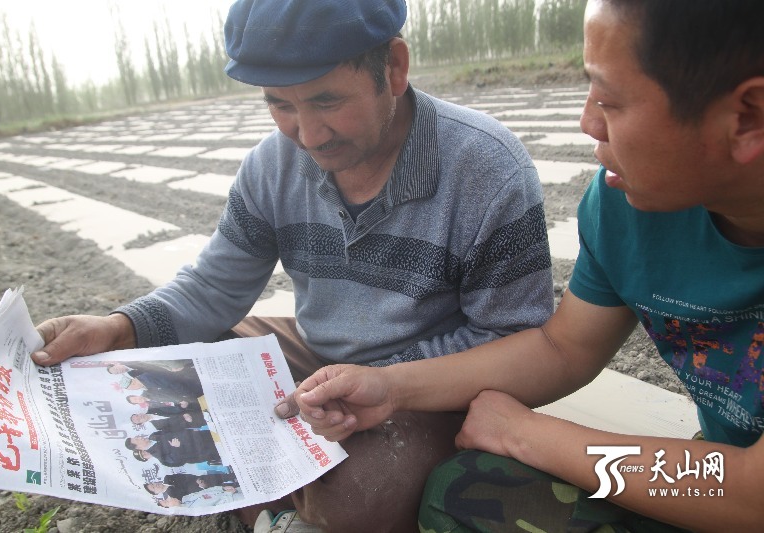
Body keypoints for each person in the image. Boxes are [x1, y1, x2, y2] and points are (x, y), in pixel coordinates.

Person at [30, 0, 553, 530]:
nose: (308, 135)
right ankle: (268, 507)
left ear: (394, 67)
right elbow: (213, 287)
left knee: (361, 497)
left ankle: (280, 508)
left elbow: (511, 338)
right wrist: (119, 328)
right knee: (177, 370)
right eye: (280, 105)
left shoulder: (485, 171)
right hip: (321, 357)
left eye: (327, 101)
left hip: (429, 387)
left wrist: (385, 380)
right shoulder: (272, 167)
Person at [287, 0, 764, 531]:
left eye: (610, 100)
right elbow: (561, 348)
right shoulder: (627, 206)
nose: (588, 123)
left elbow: (754, 492)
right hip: (723, 472)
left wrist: (524, 433)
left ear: (748, 117)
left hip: (744, 488)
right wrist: (392, 387)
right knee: (464, 493)